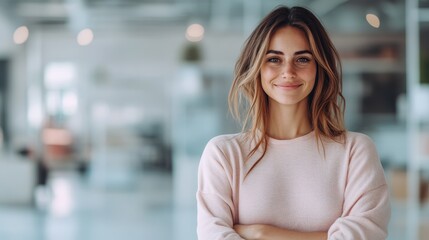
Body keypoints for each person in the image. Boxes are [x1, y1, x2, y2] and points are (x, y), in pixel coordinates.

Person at [196, 5, 390, 240]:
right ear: (256, 68)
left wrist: (261, 233)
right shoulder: (224, 155)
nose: (288, 71)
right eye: (274, 59)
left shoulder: (355, 152)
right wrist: (326, 235)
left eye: (302, 59)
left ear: (319, 69)